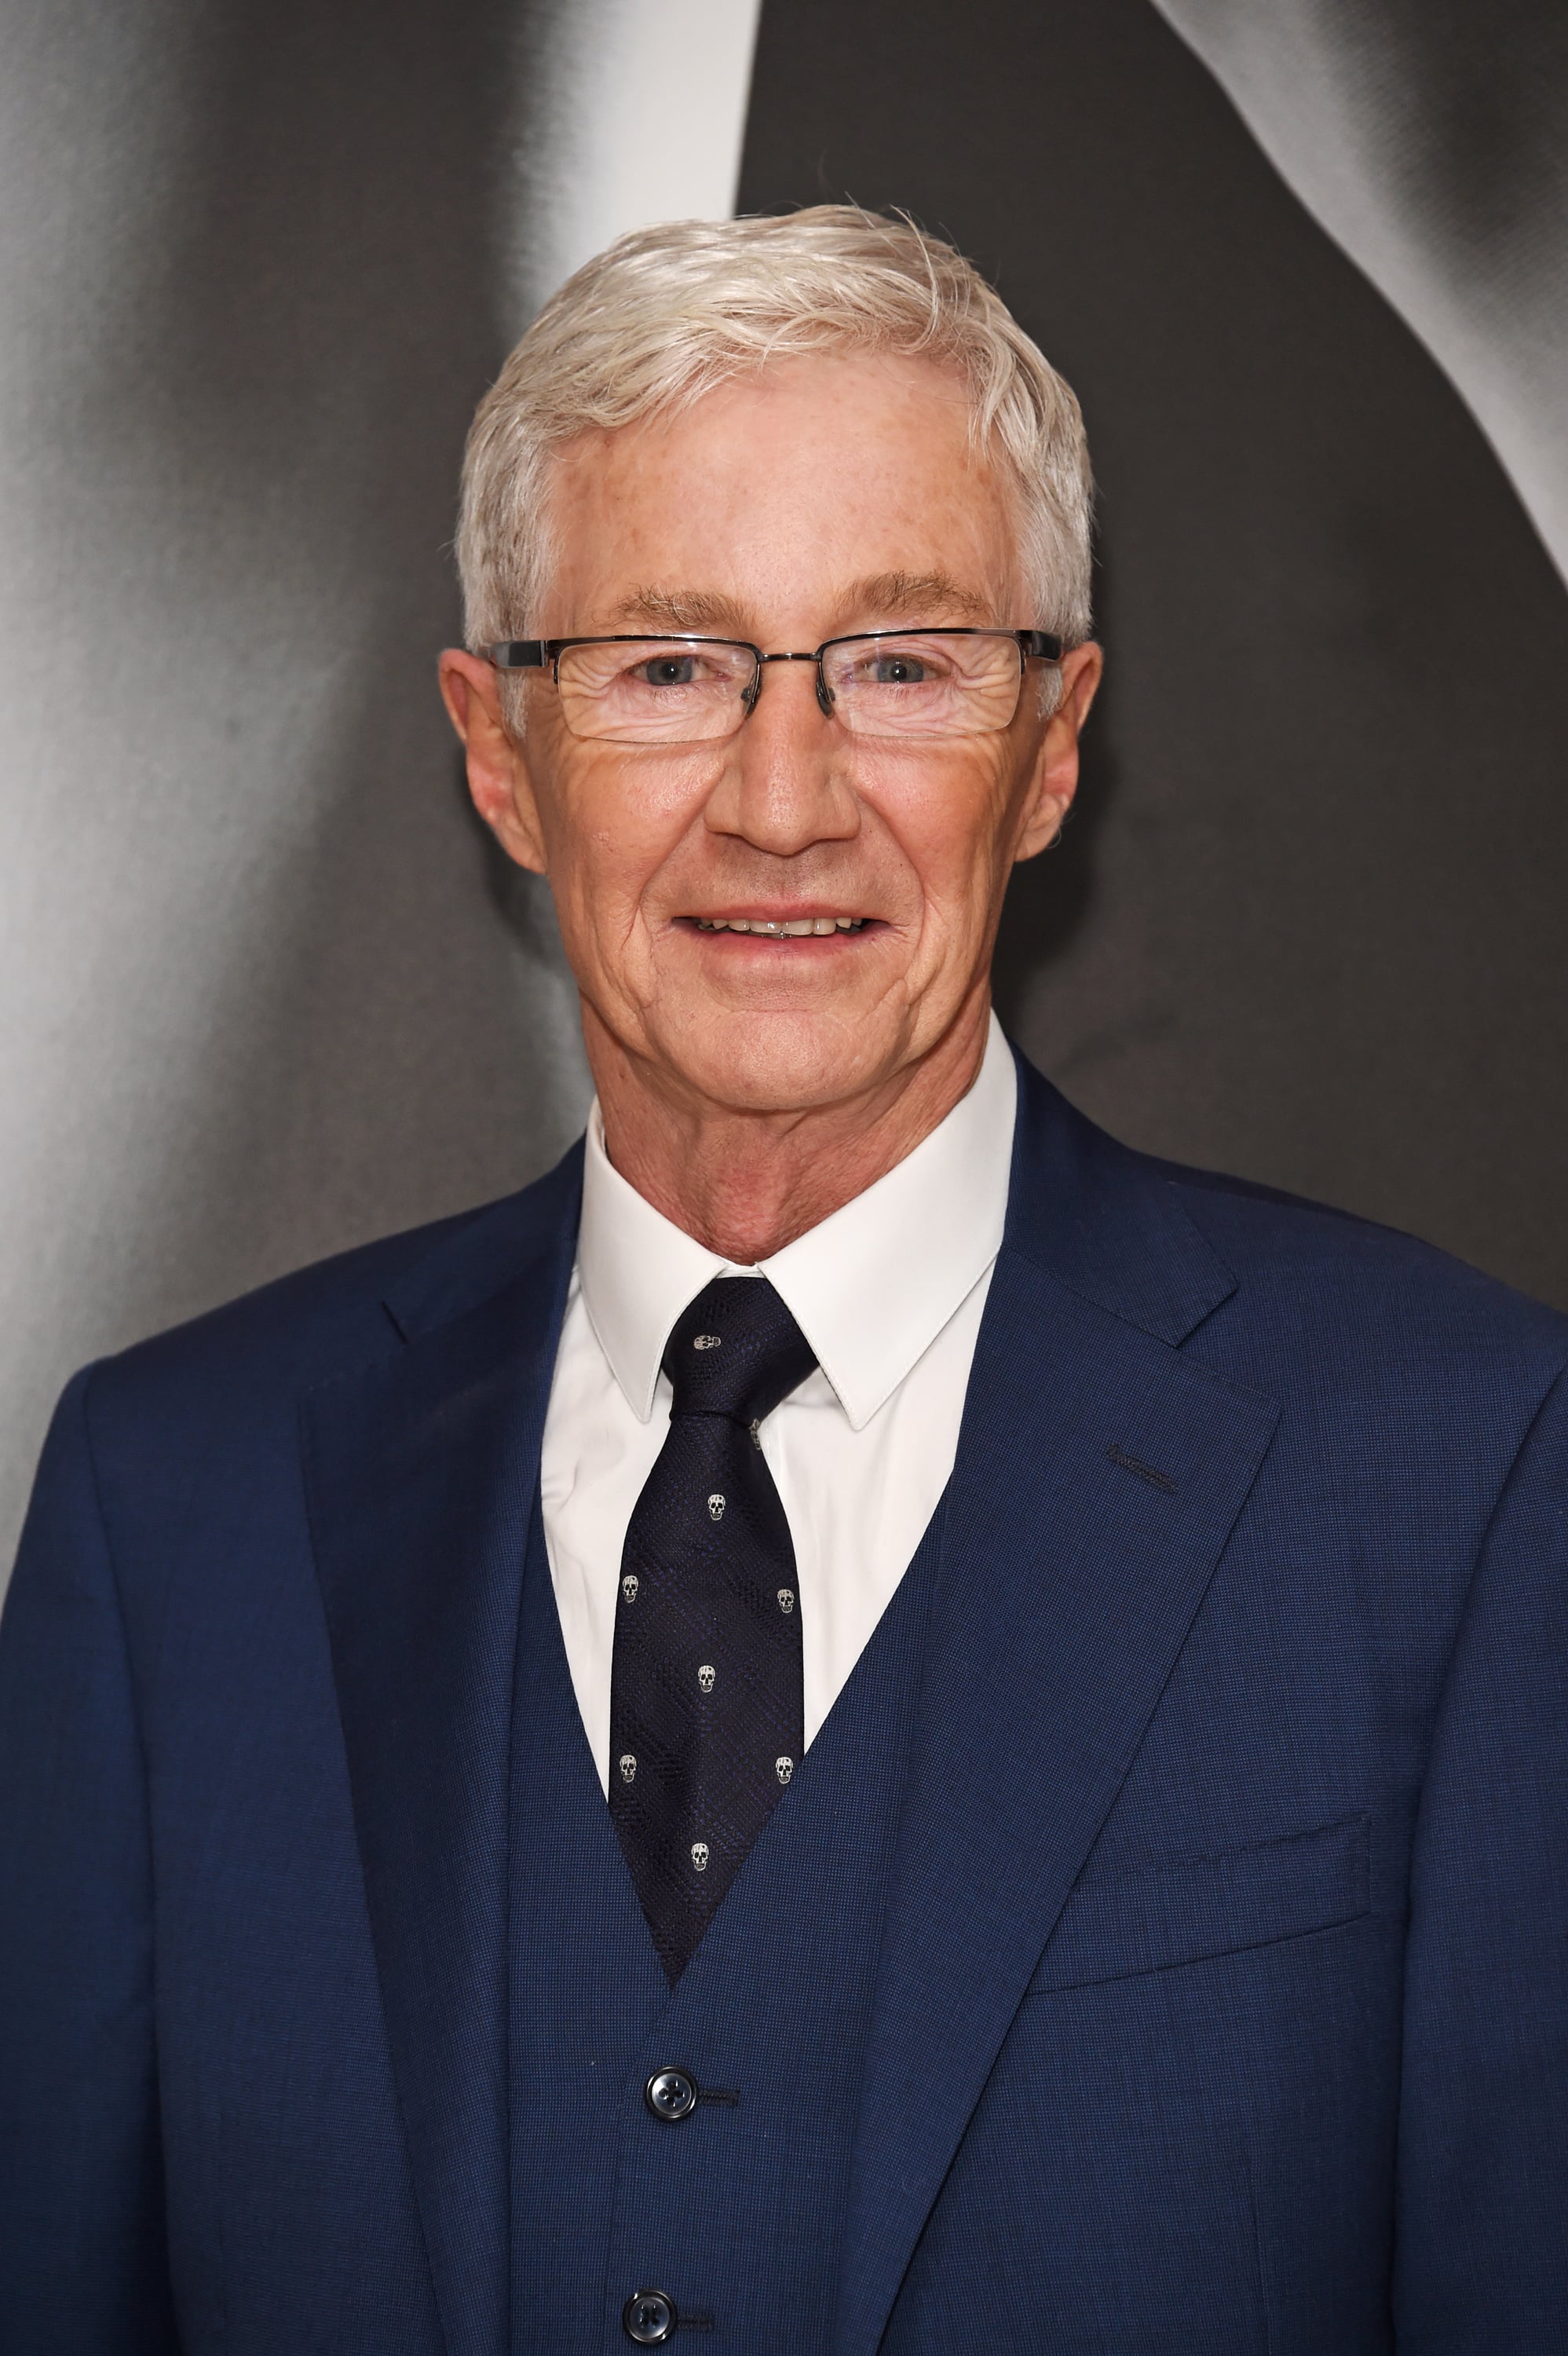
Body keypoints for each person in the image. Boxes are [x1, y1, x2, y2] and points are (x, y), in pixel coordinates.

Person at [1, 207, 1564, 2355]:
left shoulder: (1461, 1478)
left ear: (1055, 744)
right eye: (667, 666)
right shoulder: (168, 1507)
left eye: (900, 665)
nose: (784, 800)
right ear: (493, 751)